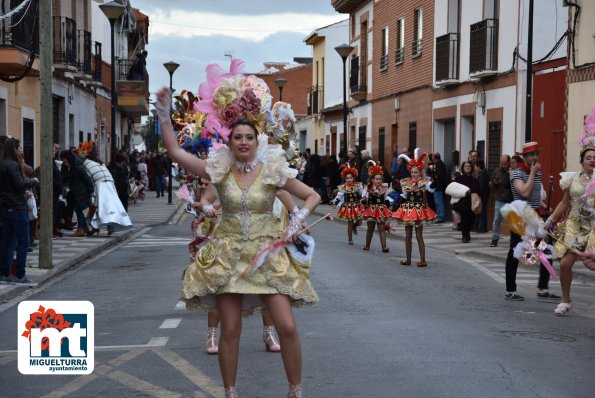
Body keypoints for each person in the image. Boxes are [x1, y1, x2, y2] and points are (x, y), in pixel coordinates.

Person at [157, 78, 320, 397]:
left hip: (268, 258)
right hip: (229, 258)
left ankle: (295, 390)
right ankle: (230, 391)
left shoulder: (273, 170)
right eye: (238, 138)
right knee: (231, 331)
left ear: (257, 141)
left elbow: (311, 195)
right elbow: (175, 151)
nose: (243, 142)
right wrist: (164, 115)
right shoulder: (218, 171)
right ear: (229, 142)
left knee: (286, 326)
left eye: (249, 137)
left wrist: (298, 219)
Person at [544, 116, 595, 315]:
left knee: (593, 265)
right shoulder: (572, 179)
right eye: (588, 157)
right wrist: (549, 221)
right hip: (574, 225)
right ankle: (566, 301)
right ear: (582, 160)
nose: (592, 160)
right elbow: (564, 203)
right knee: (565, 263)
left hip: (593, 227)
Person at [504, 141, 561, 302]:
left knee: (547, 250)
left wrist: (544, 207)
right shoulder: (516, 173)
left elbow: (535, 196)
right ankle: (510, 290)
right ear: (525, 157)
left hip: (535, 217)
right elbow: (524, 192)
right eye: (531, 155)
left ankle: (543, 288)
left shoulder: (536, 173)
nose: (535, 157)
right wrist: (533, 172)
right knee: (515, 252)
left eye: (537, 154)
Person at [0, 138, 39, 285]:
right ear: (14, 149)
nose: (21, 151)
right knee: (23, 242)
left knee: (7, 241)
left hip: (5, 207)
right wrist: (34, 181)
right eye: (19, 148)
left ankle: (5, 273)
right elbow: (19, 184)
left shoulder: (2, 164)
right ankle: (20, 275)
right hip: (16, 207)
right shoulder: (13, 165)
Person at [393, 150, 437, 266]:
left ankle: (423, 260)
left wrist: (434, 176)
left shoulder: (424, 182)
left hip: (419, 210)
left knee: (418, 235)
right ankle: (408, 259)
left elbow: (432, 188)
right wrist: (396, 206)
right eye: (412, 172)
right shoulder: (406, 182)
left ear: (420, 172)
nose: (413, 174)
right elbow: (404, 196)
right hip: (408, 209)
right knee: (407, 235)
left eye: (416, 172)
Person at [82, 145, 132, 235]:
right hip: (110, 184)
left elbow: (87, 177)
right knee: (110, 206)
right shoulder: (100, 162)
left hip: (100, 185)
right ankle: (108, 226)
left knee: (98, 206)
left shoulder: (86, 163)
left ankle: (96, 227)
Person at [59, 150, 94, 237]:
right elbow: (64, 177)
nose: (64, 160)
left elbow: (87, 178)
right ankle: (84, 228)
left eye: (65, 158)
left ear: (69, 157)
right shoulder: (66, 166)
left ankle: (80, 229)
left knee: (78, 208)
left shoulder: (77, 166)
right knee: (77, 209)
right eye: (63, 159)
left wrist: (91, 191)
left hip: (81, 191)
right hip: (74, 190)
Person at [360, 161, 392, 252]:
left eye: (380, 179)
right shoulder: (367, 188)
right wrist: (364, 200)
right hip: (371, 209)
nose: (379, 181)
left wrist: (389, 206)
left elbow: (386, 198)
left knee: (381, 228)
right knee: (370, 228)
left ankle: (384, 247)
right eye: (377, 179)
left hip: (381, 209)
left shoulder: (384, 188)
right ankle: (367, 245)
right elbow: (363, 199)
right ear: (372, 179)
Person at [330, 164, 363, 245]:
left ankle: (355, 226)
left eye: (350, 178)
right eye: (347, 178)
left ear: (354, 178)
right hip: (348, 206)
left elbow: (362, 194)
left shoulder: (358, 186)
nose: (349, 180)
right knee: (350, 222)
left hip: (357, 205)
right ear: (345, 178)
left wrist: (366, 196)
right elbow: (339, 196)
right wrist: (335, 203)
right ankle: (350, 239)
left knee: (360, 221)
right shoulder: (343, 187)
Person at [455, 161, 480, 243]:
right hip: (463, 201)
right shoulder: (459, 179)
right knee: (465, 219)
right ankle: (465, 236)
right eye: (466, 166)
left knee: (472, 219)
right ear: (463, 168)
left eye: (469, 166)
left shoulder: (474, 179)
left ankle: (467, 233)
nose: (468, 167)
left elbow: (478, 190)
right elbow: (454, 189)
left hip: (473, 201)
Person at [490, 155, 512, 247]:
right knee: (497, 220)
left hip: (511, 199)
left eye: (505, 164)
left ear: (509, 163)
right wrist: (494, 183)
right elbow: (491, 186)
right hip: (500, 199)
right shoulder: (497, 171)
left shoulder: (513, 171)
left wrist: (511, 174)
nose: (503, 166)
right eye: (501, 164)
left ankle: (513, 240)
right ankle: (494, 239)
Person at [474, 160, 491, 233]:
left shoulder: (481, 175)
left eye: (475, 166)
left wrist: (479, 194)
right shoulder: (486, 173)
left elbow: (481, 186)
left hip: (482, 195)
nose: (474, 168)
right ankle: (482, 227)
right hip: (486, 195)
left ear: (478, 166)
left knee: (482, 211)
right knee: (483, 211)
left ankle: (482, 228)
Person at [431, 153, 447, 223]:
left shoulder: (440, 165)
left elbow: (439, 176)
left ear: (435, 158)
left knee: (439, 202)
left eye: (432, 157)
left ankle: (441, 217)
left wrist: (435, 178)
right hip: (438, 186)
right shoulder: (439, 164)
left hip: (439, 186)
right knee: (437, 202)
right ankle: (439, 216)